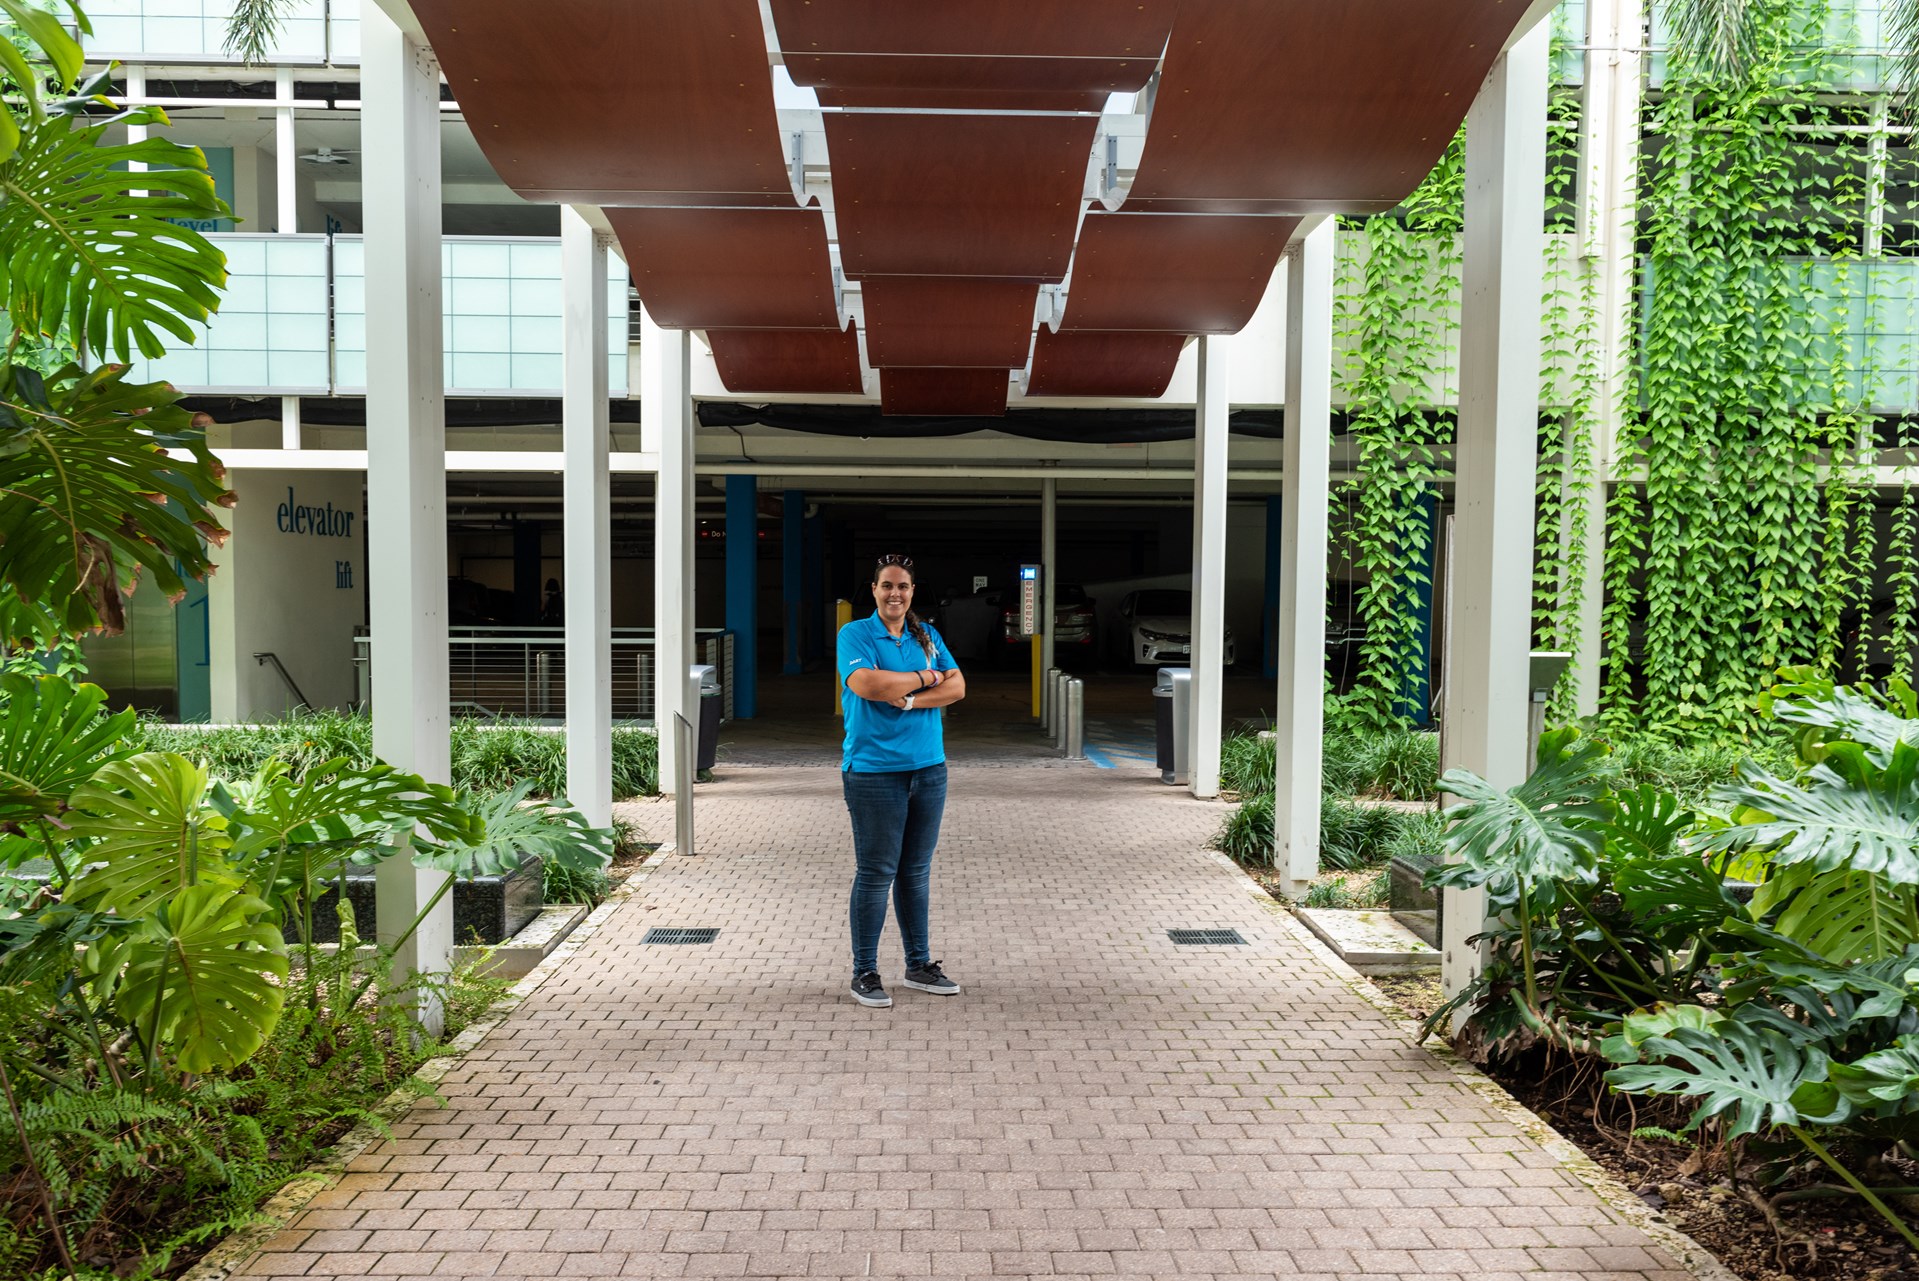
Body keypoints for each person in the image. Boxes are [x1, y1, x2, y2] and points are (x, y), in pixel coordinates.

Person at [836, 553, 967, 1007]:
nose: (895, 593)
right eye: (887, 585)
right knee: (876, 873)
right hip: (874, 773)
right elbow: (867, 685)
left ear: (912, 592)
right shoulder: (855, 633)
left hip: (929, 769)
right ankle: (864, 973)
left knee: (915, 872)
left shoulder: (926, 634)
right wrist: (926, 677)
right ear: (874, 590)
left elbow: (958, 688)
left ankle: (919, 965)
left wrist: (910, 697)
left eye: (904, 586)